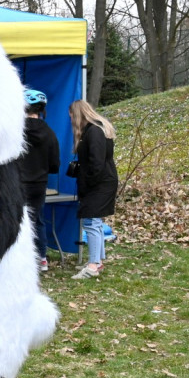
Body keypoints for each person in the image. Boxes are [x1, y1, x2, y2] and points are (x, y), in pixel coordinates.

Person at [68, 99, 118, 279]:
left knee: (91, 223)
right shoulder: (97, 129)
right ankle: (97, 261)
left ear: (79, 114)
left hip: (98, 184)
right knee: (94, 222)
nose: (72, 120)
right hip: (102, 181)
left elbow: (96, 163)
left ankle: (93, 265)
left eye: (72, 116)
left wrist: (87, 181)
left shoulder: (93, 132)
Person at [17, 89, 60, 272]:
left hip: (18, 183)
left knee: (17, 222)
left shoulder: (16, 131)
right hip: (39, 185)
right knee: (37, 221)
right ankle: (42, 258)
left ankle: (19, 261)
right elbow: (55, 165)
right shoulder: (49, 133)